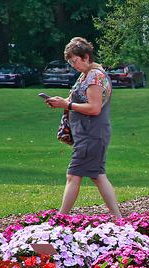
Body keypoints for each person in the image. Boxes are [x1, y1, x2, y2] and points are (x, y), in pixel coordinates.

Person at [44, 37, 121, 218]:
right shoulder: (87, 75)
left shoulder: (95, 76)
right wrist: (61, 102)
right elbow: (77, 100)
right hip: (90, 134)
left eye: (75, 61)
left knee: (73, 175)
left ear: (86, 57)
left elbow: (94, 108)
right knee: (98, 176)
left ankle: (60, 219)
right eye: (70, 62)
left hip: (91, 134)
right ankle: (119, 220)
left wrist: (67, 105)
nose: (73, 65)